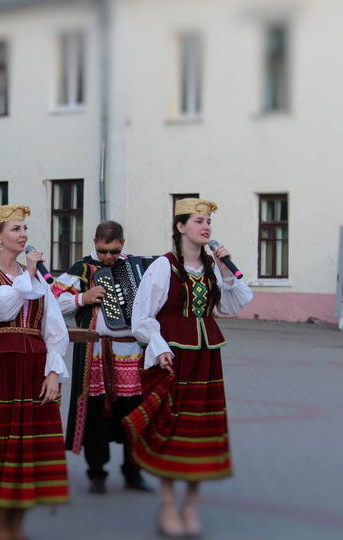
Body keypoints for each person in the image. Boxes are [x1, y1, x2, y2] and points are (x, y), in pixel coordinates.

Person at [123, 198, 253, 538]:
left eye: (208, 221)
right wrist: (159, 347)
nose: (206, 226)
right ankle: (168, 504)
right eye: (198, 220)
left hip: (207, 359)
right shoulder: (163, 267)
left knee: (201, 432)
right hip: (173, 357)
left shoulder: (212, 266)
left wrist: (225, 267)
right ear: (181, 227)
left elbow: (235, 303)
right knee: (172, 427)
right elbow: (142, 317)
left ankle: (191, 505)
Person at [0, 205, 70, 540]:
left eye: (25, 229)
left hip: (33, 365)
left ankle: (18, 528)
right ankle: (0, 528)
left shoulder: (34, 277)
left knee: (28, 449)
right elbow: (0, 306)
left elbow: (55, 327)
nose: (23, 235)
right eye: (15, 229)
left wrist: (53, 371)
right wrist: (28, 276)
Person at [51, 221, 152, 494]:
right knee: (96, 412)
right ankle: (97, 473)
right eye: (103, 250)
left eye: (114, 251)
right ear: (94, 242)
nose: (109, 257)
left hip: (132, 352)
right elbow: (52, 303)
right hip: (96, 352)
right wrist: (82, 298)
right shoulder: (81, 269)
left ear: (122, 243)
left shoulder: (135, 266)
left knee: (134, 413)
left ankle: (134, 472)